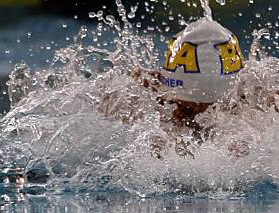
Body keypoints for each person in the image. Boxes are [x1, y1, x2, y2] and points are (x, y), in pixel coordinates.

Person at [99, 18, 246, 158]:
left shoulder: (247, 111)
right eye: (184, 108)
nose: (194, 118)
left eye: (212, 108)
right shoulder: (143, 98)